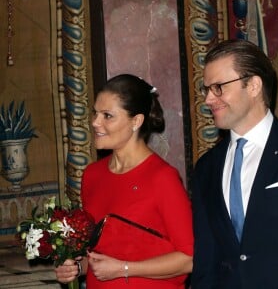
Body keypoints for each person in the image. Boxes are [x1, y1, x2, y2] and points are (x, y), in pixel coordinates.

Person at [55, 74, 193, 288]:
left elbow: (188, 259)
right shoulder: (92, 175)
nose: (95, 122)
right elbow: (99, 253)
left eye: (107, 115)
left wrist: (124, 269)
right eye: (95, 113)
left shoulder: (162, 178)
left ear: (136, 121)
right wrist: (77, 267)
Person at [191, 39, 278, 288]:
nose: (208, 99)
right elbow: (206, 259)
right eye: (206, 89)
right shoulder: (207, 167)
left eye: (218, 87)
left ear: (253, 85)